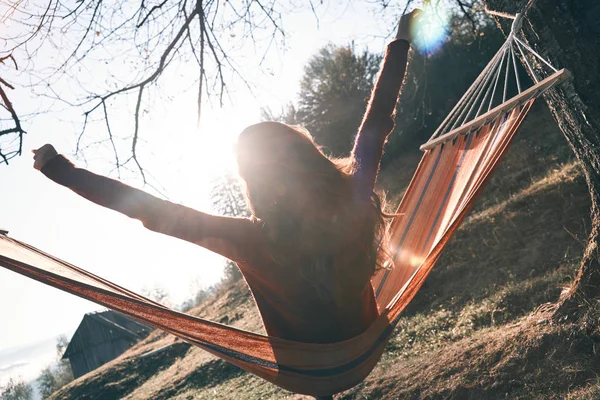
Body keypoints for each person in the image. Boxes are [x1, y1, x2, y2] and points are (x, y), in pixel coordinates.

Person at [33, 10, 420, 345]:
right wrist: (401, 39)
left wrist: (63, 172)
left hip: (311, 361)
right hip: (361, 334)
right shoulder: (351, 196)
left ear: (255, 184)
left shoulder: (251, 238)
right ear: (308, 156)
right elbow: (374, 126)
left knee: (315, 358)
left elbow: (150, 209)